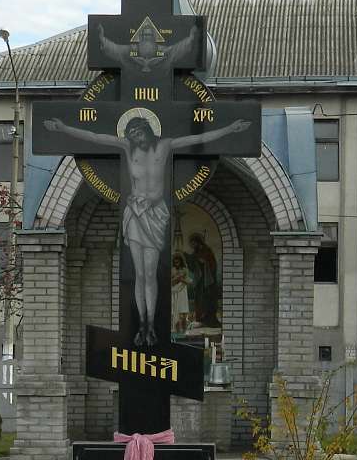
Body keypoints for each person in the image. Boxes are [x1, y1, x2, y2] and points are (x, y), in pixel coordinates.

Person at [43, 114, 250, 345]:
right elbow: (96, 137)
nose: (136, 139)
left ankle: (152, 325)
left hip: (155, 214)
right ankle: (141, 325)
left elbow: (198, 138)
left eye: (138, 133)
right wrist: (63, 127)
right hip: (135, 213)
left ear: (147, 130)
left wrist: (230, 128)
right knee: (139, 274)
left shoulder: (165, 145)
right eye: (131, 135)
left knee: (150, 274)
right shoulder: (127, 147)